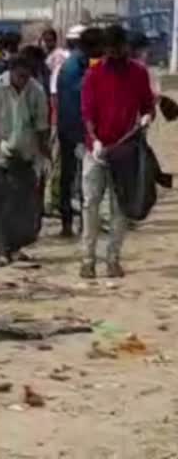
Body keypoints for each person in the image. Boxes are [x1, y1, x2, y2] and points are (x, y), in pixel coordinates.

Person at [79, 25, 155, 279]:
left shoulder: (138, 73)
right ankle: (87, 260)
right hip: (97, 151)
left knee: (120, 207)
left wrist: (146, 117)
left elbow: (147, 106)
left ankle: (113, 259)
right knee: (90, 204)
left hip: (126, 151)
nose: (112, 54)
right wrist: (95, 140)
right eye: (108, 50)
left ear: (125, 46)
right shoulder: (94, 74)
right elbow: (88, 113)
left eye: (117, 48)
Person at [0, 53, 50, 266]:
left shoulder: (36, 90)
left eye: (27, 76)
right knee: (0, 204)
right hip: (0, 156)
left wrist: (44, 154)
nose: (23, 80)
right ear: (11, 71)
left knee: (23, 206)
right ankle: (0, 250)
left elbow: (42, 125)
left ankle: (15, 247)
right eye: (20, 75)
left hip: (27, 155)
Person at [56, 27, 104, 237]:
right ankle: (71, 222)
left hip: (75, 130)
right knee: (75, 178)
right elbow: (76, 103)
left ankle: (81, 222)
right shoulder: (73, 69)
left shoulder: (81, 65)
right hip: (74, 131)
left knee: (75, 178)